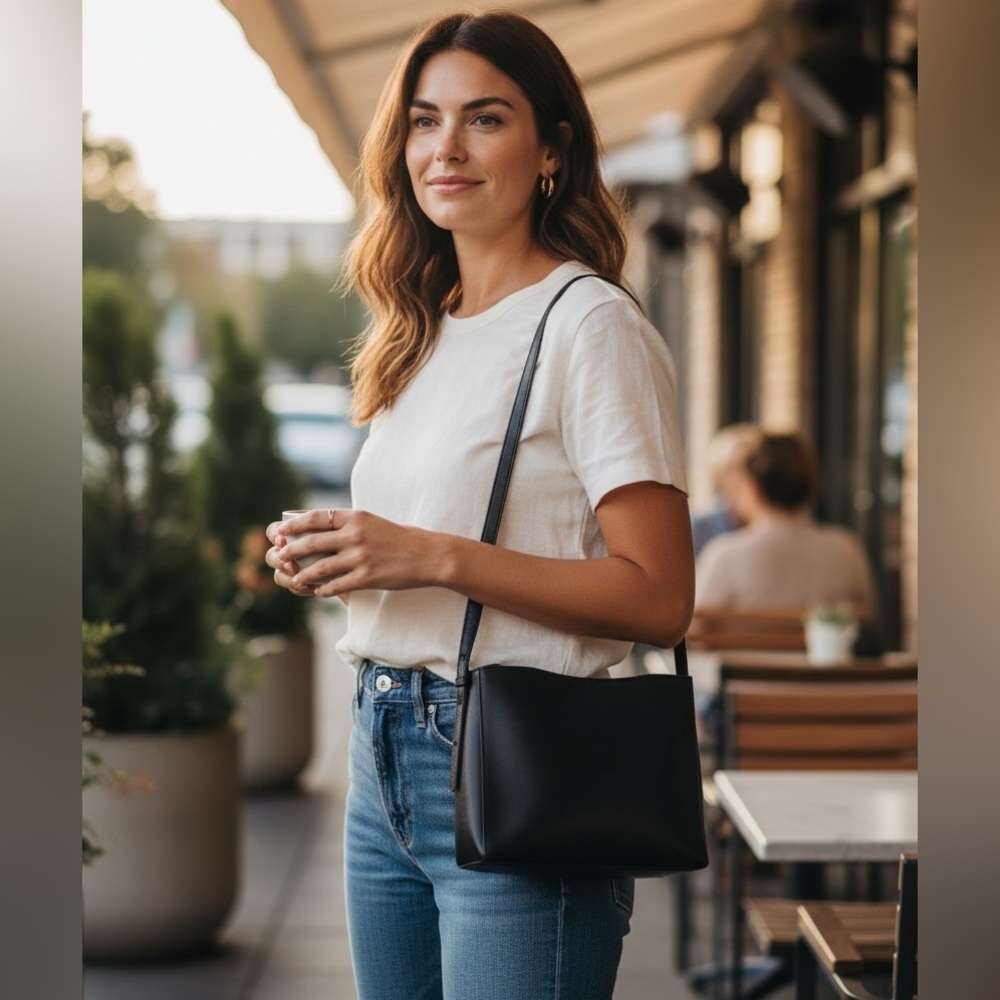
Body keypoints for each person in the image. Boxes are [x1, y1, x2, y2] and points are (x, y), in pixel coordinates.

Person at [264, 10, 694, 1000]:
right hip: (379, 750)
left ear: (551, 152)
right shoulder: (417, 328)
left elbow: (659, 597)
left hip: (517, 754)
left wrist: (432, 556)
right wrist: (338, 559)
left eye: (484, 118)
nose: (445, 148)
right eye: (424, 120)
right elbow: (423, 542)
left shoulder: (590, 326)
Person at [695, 432, 878, 625]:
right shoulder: (847, 550)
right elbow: (870, 622)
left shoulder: (724, 555)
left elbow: (695, 629)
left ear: (754, 488)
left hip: (746, 646)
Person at [690, 422, 762, 556]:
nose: (746, 477)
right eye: (736, 468)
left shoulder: (772, 524)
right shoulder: (700, 527)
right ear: (721, 475)